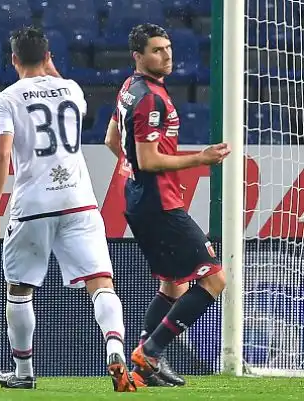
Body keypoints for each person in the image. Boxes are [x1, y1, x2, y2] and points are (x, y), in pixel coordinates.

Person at [0, 26, 136, 393]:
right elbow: (58, 93)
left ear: (14, 59)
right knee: (101, 282)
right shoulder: (72, 89)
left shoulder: (6, 98)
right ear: (48, 56)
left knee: (19, 290)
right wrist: (52, 69)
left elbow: (1, 153)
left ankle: (23, 371)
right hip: (78, 199)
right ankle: (115, 348)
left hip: (33, 204)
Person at [104, 23, 230, 387]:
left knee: (173, 284)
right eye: (157, 50)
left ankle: (143, 369)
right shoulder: (150, 99)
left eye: (168, 47)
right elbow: (149, 160)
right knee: (215, 279)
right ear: (138, 56)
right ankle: (151, 351)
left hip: (140, 199)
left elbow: (112, 139)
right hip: (159, 203)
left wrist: (136, 172)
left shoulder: (130, 87)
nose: (167, 54)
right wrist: (200, 159)